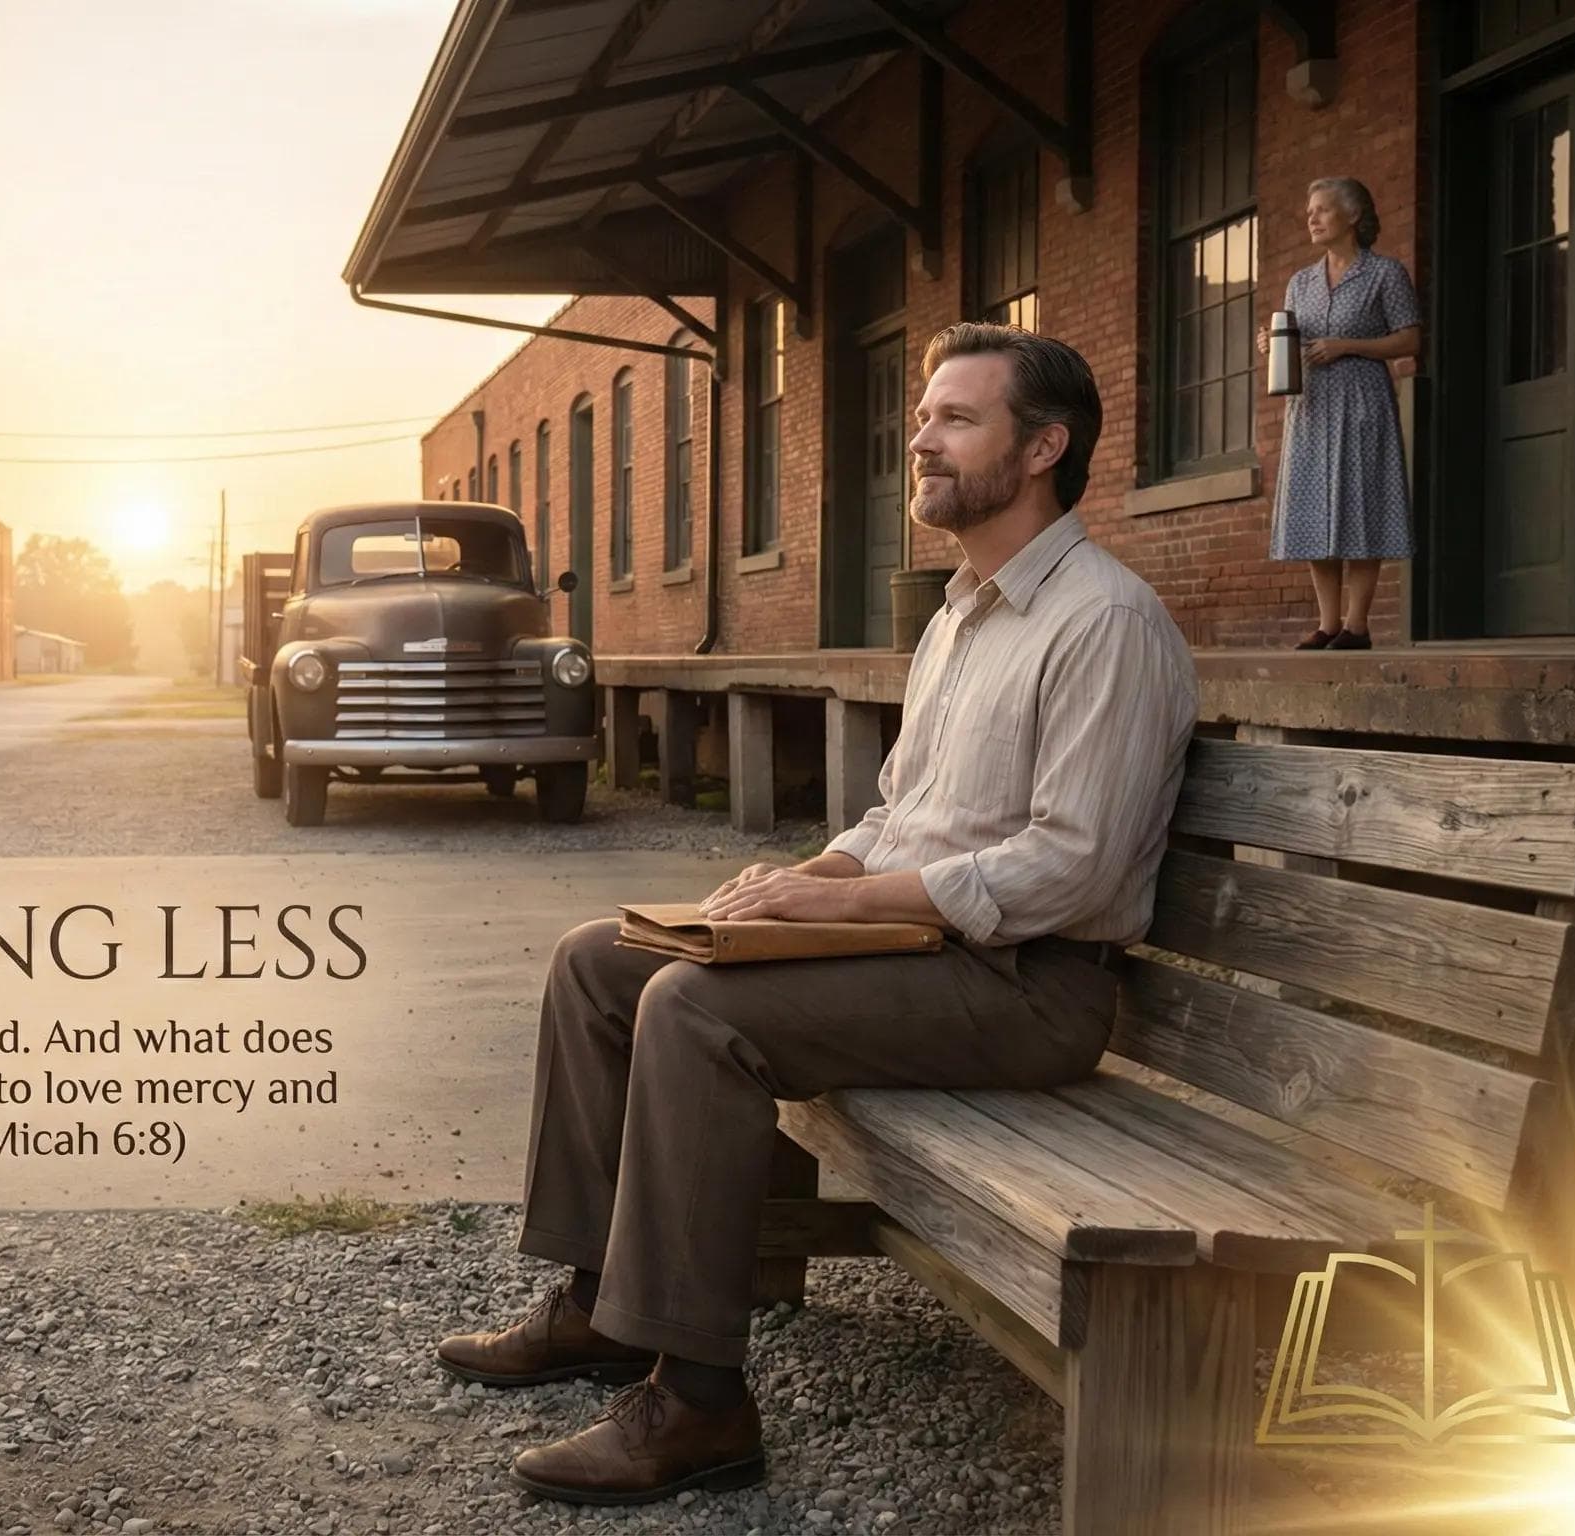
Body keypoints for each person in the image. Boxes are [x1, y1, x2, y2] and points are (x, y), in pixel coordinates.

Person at [432, 323, 1200, 1507]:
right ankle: (598, 1306)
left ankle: (698, 1403)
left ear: (1043, 446)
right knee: (603, 960)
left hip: (1033, 988)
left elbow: (1075, 869)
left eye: (957, 418)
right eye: (924, 414)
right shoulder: (958, 619)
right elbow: (903, 813)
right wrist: (796, 884)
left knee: (696, 1013)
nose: (922, 438)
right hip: (926, 954)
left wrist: (848, 898)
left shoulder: (1104, 621)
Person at [1263, 176, 1422, 649]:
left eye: (1322, 210)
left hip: (1363, 404)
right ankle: (1328, 624)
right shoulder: (1301, 282)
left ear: (1352, 216)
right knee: (1313, 509)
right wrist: (1272, 346)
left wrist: (1347, 346)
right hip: (1310, 408)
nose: (1311, 218)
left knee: (1361, 507)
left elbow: (1410, 339)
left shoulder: (1385, 274)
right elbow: (1294, 342)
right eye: (1309, 211)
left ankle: (1357, 626)